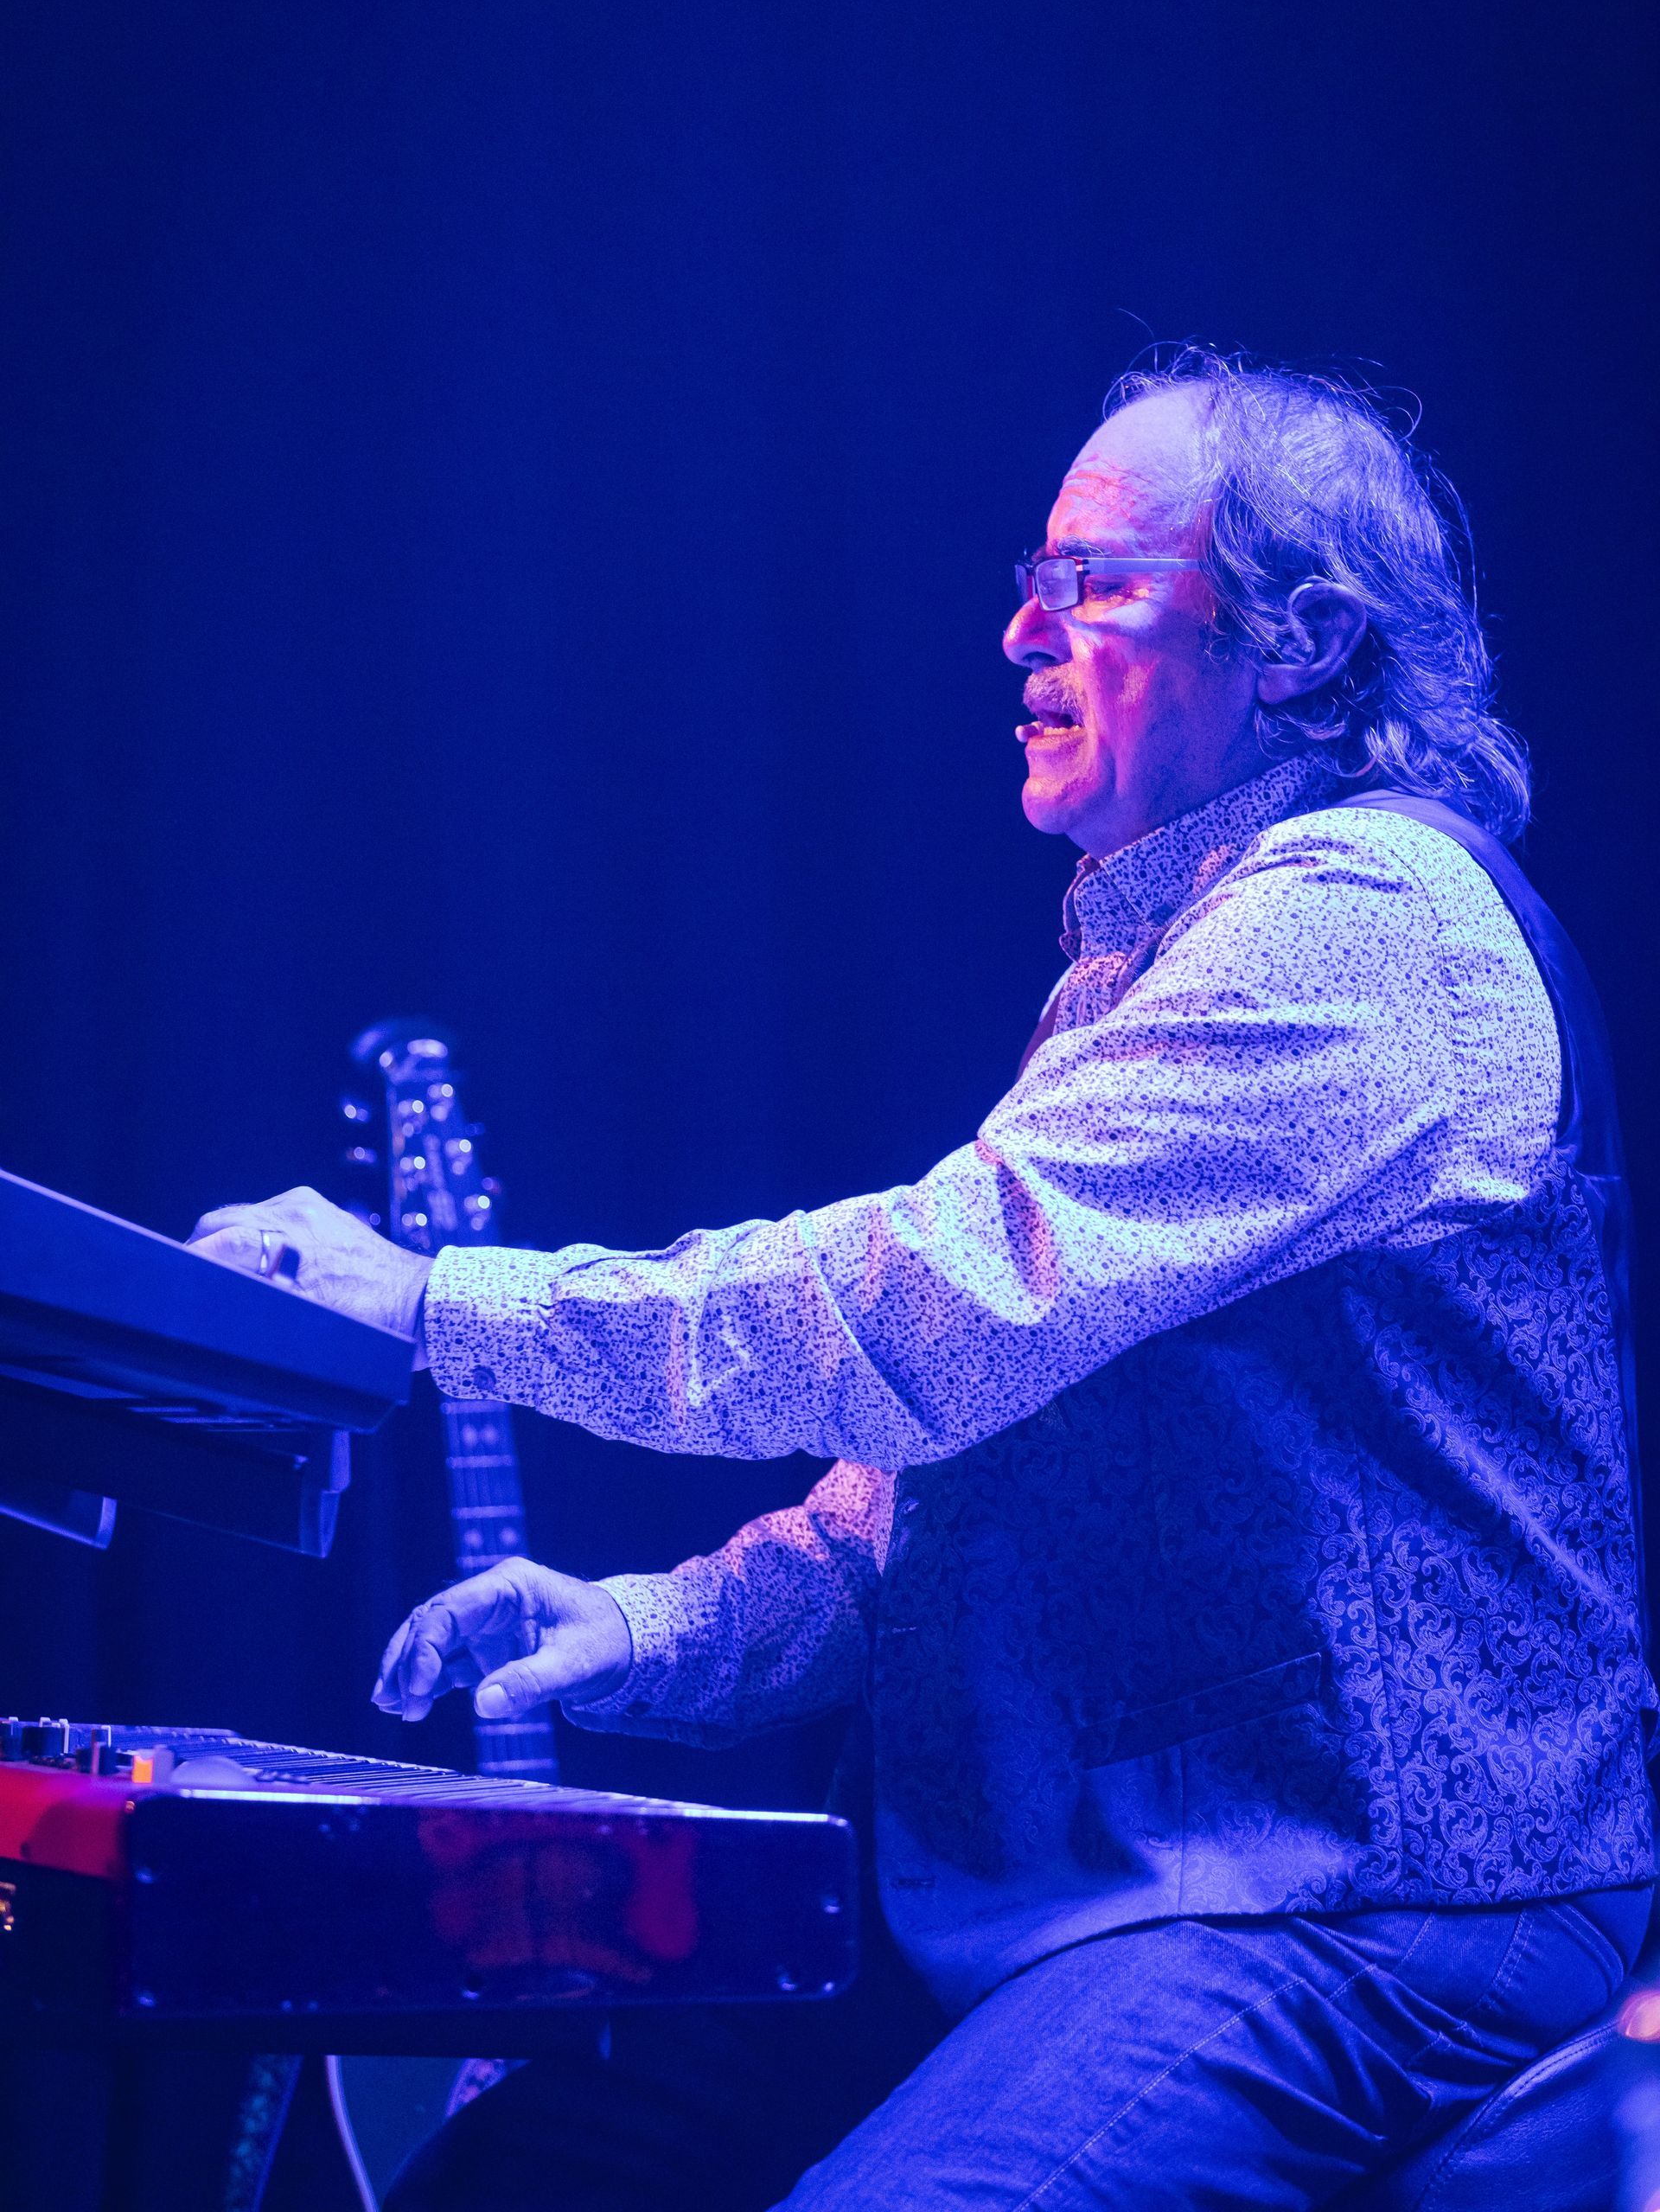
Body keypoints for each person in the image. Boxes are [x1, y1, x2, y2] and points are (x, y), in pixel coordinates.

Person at [191, 352, 1654, 2209]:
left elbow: (921, 1314)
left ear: (1303, 641)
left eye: (1090, 581)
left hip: (1371, 1890)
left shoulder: (1365, 920)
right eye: (1031, 581)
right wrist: (645, 1628)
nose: (1019, 631)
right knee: (515, 2178)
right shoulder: (1149, 958)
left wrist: (436, 1303)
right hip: (1108, 1889)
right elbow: (942, 1501)